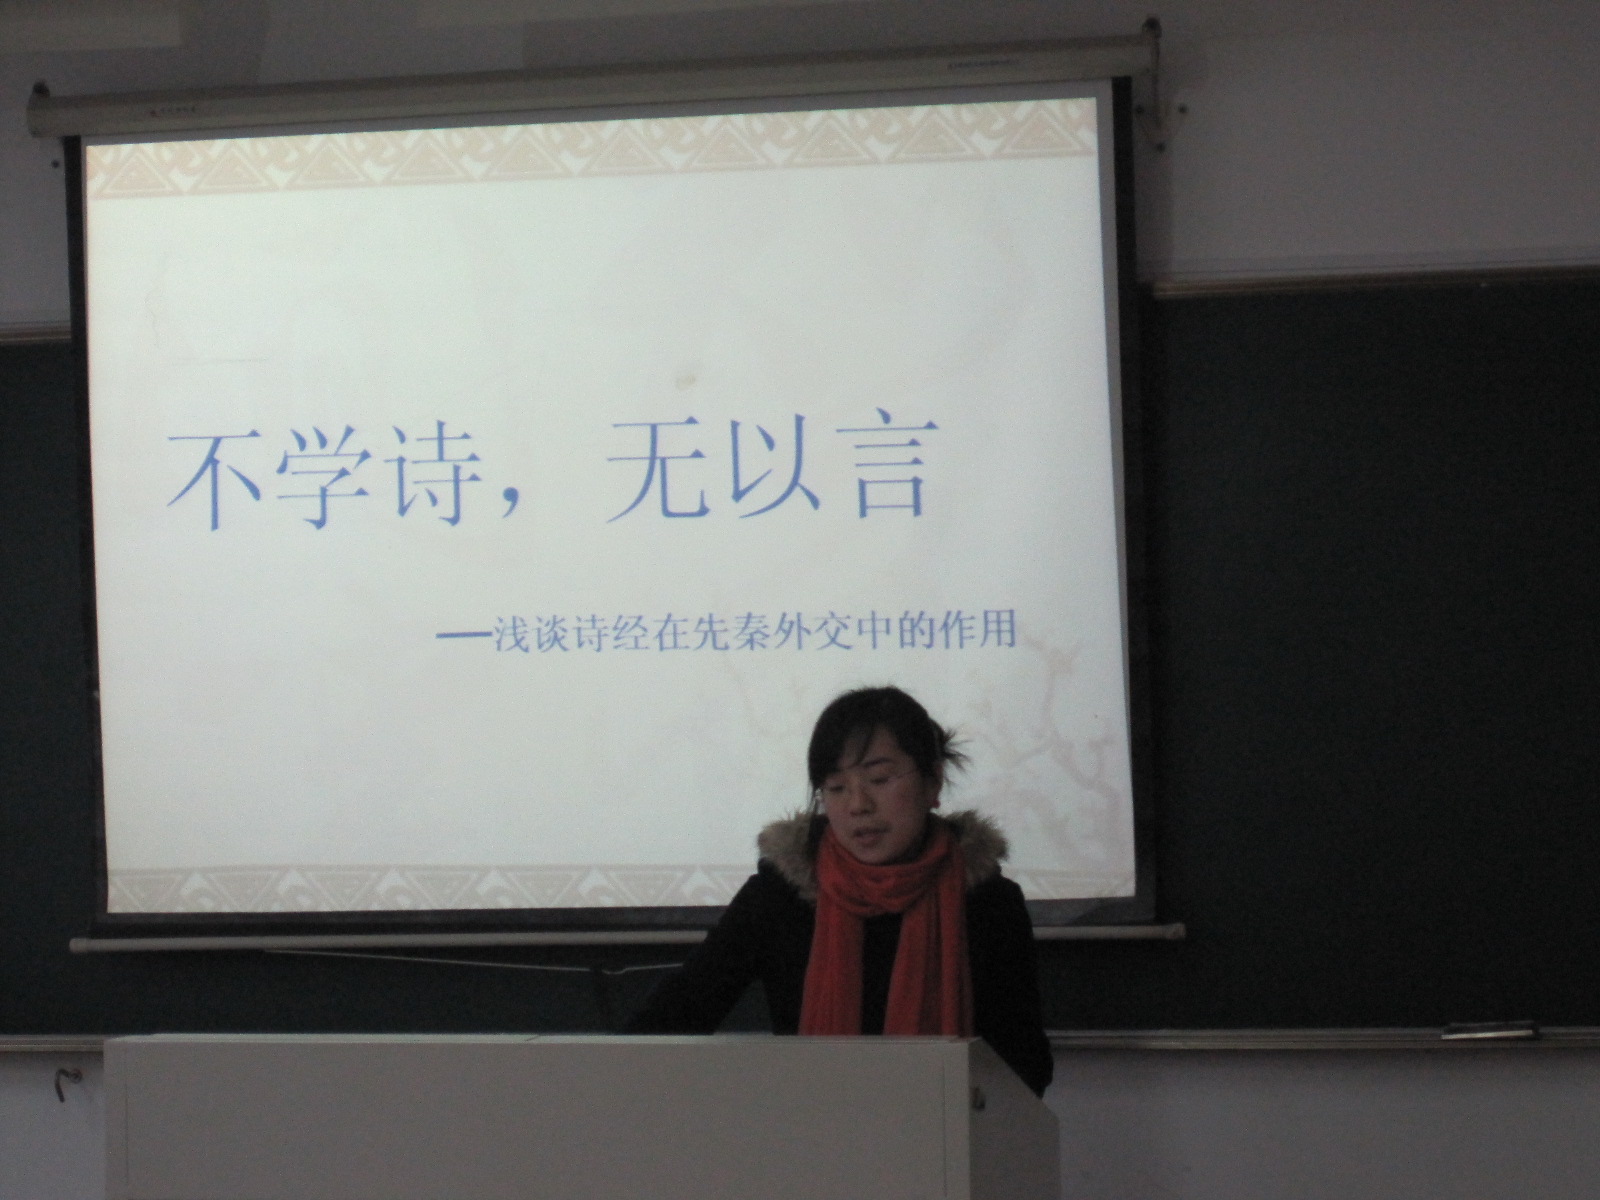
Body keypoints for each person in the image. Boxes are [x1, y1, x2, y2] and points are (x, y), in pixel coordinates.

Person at [628, 686, 1053, 1096]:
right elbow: (676, 1015)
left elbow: (1025, 1067)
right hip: (812, 1130)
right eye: (835, 787)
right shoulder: (779, 896)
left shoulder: (987, 903)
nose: (857, 805)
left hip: (945, 1137)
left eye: (879, 779)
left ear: (933, 783)